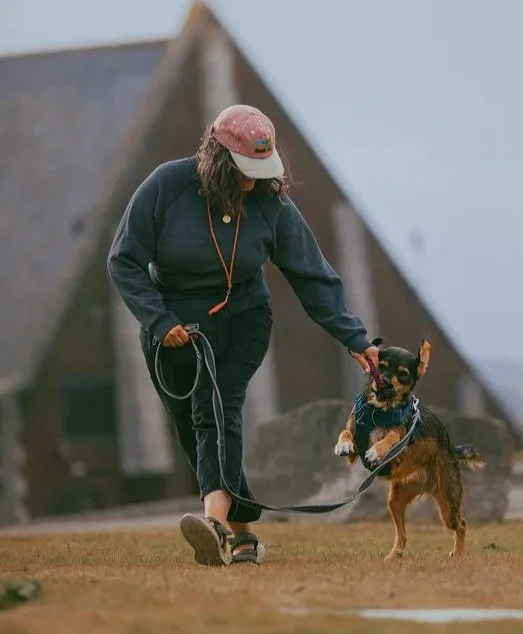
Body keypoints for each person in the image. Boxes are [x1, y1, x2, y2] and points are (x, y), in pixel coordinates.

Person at [107, 104, 379, 566]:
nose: (252, 182)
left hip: (245, 319)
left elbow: (312, 275)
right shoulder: (165, 187)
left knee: (218, 409)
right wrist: (159, 320)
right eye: (244, 171)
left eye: (261, 170)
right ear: (216, 158)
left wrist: (356, 339)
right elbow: (124, 261)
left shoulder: (270, 203)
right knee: (194, 432)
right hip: (176, 326)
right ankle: (245, 534)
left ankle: (212, 522)